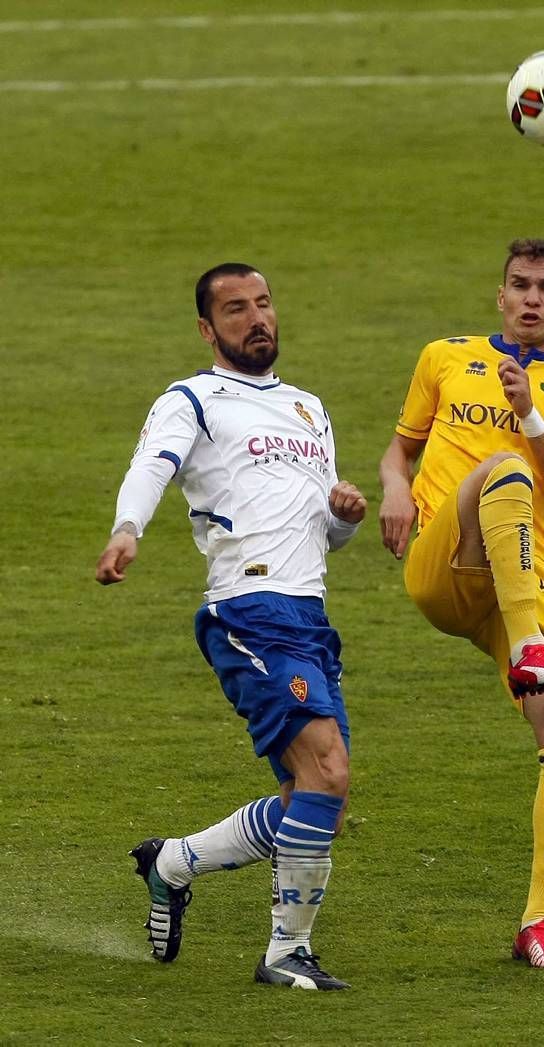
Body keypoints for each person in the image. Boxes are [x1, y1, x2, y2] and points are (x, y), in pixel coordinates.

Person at [96, 262, 366, 991]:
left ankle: (173, 862)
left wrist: (341, 516)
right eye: (238, 309)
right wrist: (128, 530)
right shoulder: (195, 398)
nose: (258, 319)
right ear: (208, 328)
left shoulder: (311, 409)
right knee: (328, 771)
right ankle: (285, 953)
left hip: (309, 614)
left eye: (265, 303)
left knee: (319, 803)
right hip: (248, 610)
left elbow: (324, 536)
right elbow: (152, 464)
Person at [378, 239, 544, 969]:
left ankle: (537, 923)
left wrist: (532, 413)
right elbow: (401, 452)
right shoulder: (444, 357)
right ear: (500, 295)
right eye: (520, 285)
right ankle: (525, 649)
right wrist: (393, 488)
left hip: (529, 573)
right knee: (503, 469)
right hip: (448, 560)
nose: (532, 298)